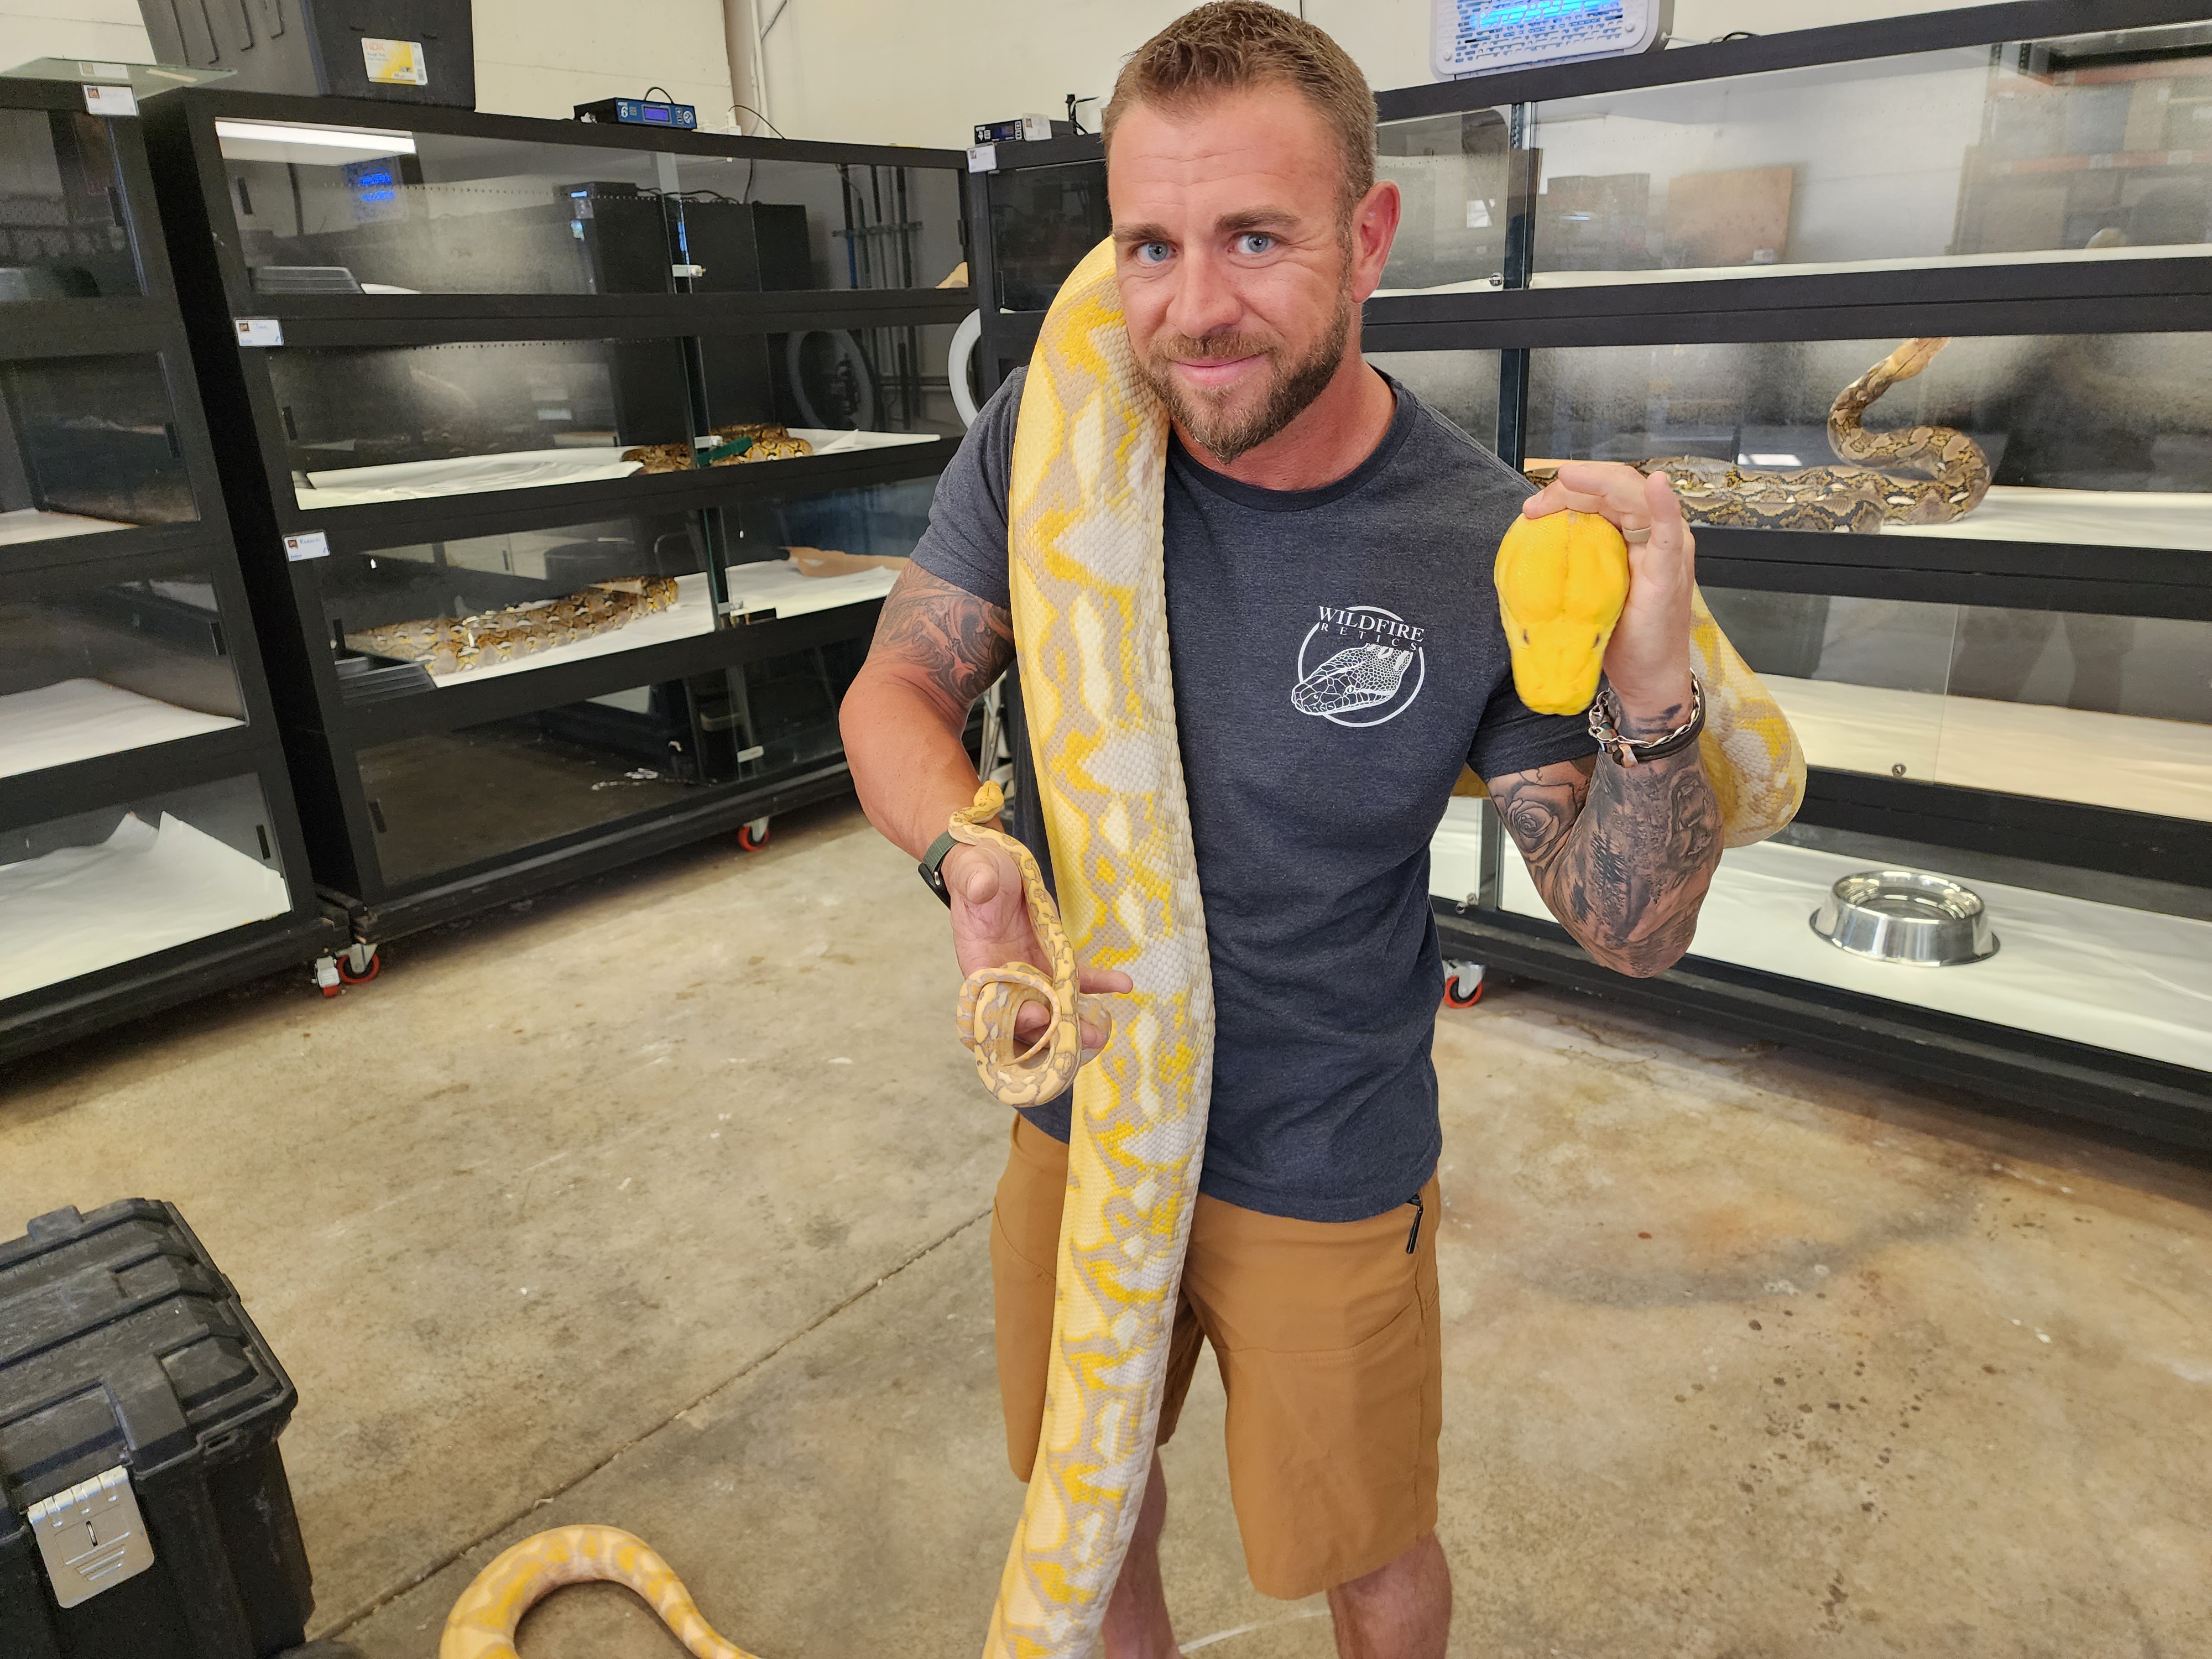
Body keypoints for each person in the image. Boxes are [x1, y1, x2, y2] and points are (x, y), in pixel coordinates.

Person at [839, 6, 1724, 1655]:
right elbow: (896, 687)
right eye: (1150, 245)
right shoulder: (1049, 434)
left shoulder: (1481, 539)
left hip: (1323, 1157)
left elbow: (1632, 927)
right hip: (1084, 1120)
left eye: (1256, 237)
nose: (1193, 307)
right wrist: (970, 857)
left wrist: (1656, 686)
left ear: (1369, 234)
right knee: (1091, 1510)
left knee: (1365, 1552)